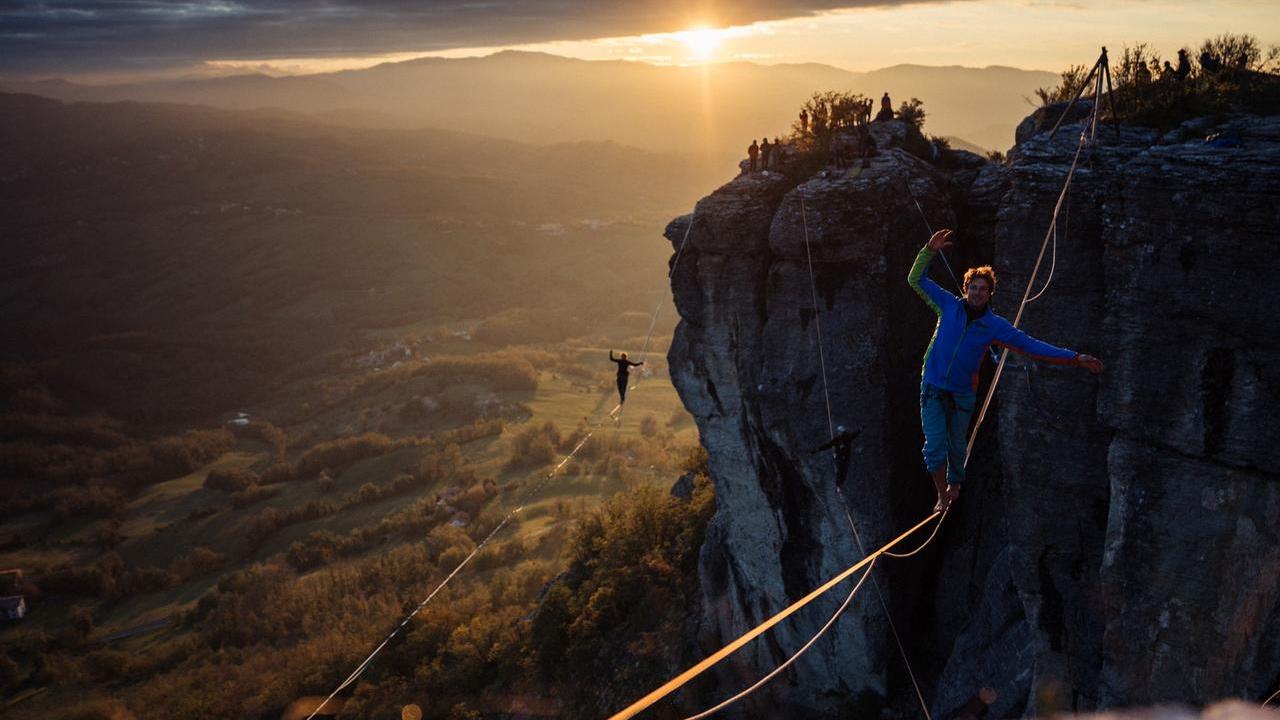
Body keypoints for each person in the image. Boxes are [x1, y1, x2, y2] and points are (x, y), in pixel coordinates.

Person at [908, 229, 1103, 512]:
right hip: (933, 387)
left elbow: (1031, 346)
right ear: (966, 288)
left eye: (983, 289)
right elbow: (916, 279)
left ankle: (955, 485)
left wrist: (1075, 358)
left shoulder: (995, 326)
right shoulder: (948, 305)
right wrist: (929, 251)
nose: (977, 293)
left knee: (957, 447)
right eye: (973, 287)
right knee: (935, 448)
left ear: (990, 294)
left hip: (962, 393)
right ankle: (942, 495)